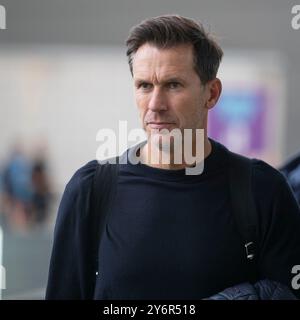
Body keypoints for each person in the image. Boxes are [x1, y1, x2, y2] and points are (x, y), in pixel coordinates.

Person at [46, 15, 300, 300]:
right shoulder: (90, 190)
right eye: (144, 86)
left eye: (173, 85)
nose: (155, 105)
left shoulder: (263, 190)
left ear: (212, 93)